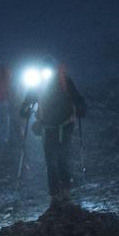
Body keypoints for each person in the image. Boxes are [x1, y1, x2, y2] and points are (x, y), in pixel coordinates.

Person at [20, 55, 86, 206]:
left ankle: (66, 190)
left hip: (65, 125)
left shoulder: (65, 81)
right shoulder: (39, 84)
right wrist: (24, 109)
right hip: (48, 126)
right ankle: (55, 193)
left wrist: (81, 107)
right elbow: (27, 101)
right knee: (50, 160)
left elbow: (77, 98)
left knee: (63, 158)